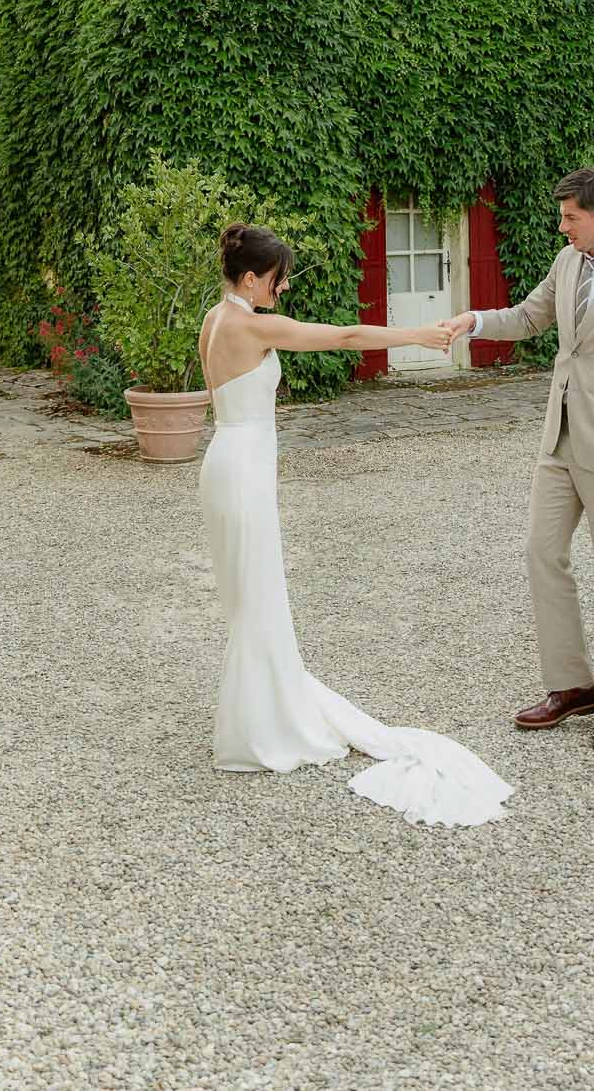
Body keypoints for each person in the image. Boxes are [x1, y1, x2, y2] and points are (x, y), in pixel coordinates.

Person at [197, 221, 513, 827]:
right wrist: (416, 334)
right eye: (275, 280)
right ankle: (261, 728)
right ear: (250, 278)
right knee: (258, 594)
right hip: (243, 468)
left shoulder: (215, 318)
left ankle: (256, 713)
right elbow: (343, 335)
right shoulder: (251, 324)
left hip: (227, 460)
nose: (281, 290)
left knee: (250, 596)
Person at [442, 167, 594, 749]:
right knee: (542, 554)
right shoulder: (568, 262)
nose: (562, 225)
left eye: (571, 216)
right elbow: (528, 318)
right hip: (560, 440)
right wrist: (474, 321)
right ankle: (574, 685)